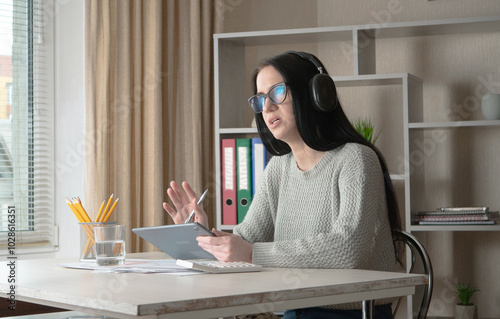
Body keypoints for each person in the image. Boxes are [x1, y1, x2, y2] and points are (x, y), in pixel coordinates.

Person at [163, 51, 402, 319]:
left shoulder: (356, 159)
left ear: (314, 94)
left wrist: (253, 253)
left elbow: (349, 249)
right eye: (260, 99)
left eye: (277, 92)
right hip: (295, 309)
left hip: (352, 311)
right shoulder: (278, 168)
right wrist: (201, 234)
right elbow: (246, 240)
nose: (266, 108)